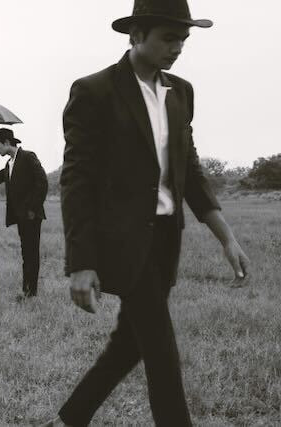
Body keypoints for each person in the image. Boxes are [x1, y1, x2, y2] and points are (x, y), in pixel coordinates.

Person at [44, 1, 251, 425]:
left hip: (164, 239)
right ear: (136, 35)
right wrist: (81, 262)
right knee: (160, 350)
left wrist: (226, 236)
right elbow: (77, 181)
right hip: (121, 241)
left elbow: (189, 169)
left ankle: (69, 419)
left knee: (129, 343)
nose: (178, 48)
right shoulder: (95, 91)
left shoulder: (182, 92)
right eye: (169, 38)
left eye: (184, 40)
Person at [0, 128, 48, 299]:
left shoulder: (28, 157)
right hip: (20, 216)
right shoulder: (9, 164)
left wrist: (32, 210)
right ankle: (28, 291)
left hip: (31, 215)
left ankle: (30, 293)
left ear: (6, 142)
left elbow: (42, 183)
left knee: (31, 254)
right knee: (26, 253)